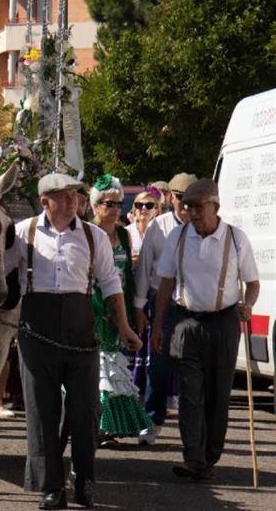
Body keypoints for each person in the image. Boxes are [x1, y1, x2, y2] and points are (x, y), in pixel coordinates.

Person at [10, 172, 143, 509]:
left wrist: (125, 328)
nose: (73, 201)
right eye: (64, 195)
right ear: (45, 202)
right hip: (36, 330)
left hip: (81, 328)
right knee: (42, 411)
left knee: (85, 410)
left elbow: (111, 284)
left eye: (75, 195)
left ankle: (84, 480)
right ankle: (51, 487)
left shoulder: (93, 235)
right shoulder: (21, 233)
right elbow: (0, 275)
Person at [152, 179, 260, 481]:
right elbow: (165, 284)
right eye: (187, 207)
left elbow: (252, 284)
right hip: (186, 322)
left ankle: (210, 456)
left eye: (199, 207)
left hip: (224, 323)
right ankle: (194, 458)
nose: (192, 213)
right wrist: (158, 325)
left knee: (217, 395)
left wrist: (247, 305)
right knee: (190, 392)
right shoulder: (178, 236)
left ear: (216, 206)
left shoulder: (237, 239)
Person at [136, 172, 196, 445]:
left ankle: (193, 430)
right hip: (162, 303)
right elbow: (145, 268)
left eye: (190, 199)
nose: (184, 205)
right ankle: (152, 420)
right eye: (180, 198)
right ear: (171, 197)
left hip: (193, 306)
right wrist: (138, 306)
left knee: (191, 369)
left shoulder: (202, 226)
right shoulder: (158, 226)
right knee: (158, 366)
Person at [89, 176, 152, 441]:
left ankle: (111, 424)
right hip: (94, 309)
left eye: (117, 203)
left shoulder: (125, 236)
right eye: (108, 203)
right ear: (95, 207)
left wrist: (129, 312)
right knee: (98, 366)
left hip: (119, 308)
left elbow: (128, 276)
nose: (114, 209)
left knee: (114, 365)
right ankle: (97, 423)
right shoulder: (87, 233)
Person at [127, 185, 162, 263]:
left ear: (156, 211)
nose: (143, 208)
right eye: (139, 205)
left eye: (149, 205)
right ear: (134, 209)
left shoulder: (161, 233)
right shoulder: (126, 232)